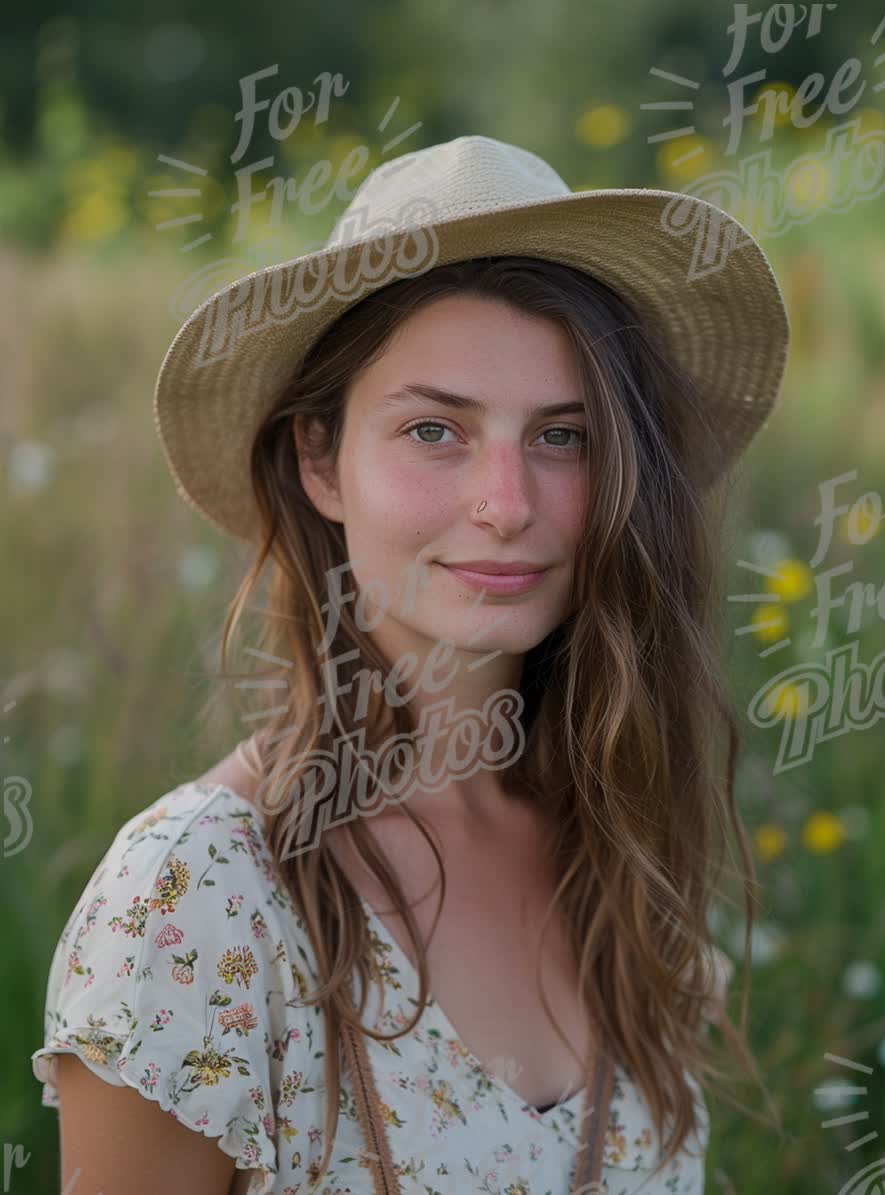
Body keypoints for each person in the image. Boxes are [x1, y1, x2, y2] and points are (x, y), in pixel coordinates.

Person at [32, 133, 788, 1194]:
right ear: (317, 460)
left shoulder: (622, 855)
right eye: (436, 429)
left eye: (563, 438)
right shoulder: (200, 899)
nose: (508, 503)